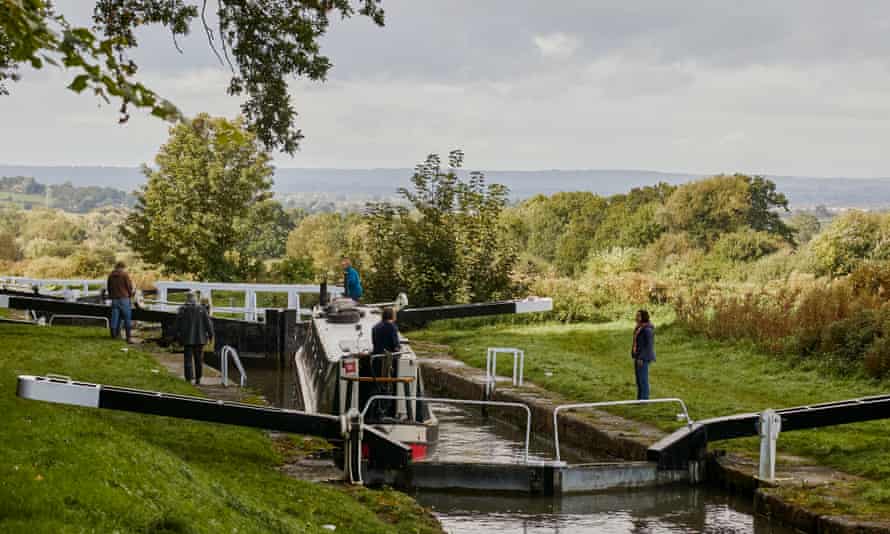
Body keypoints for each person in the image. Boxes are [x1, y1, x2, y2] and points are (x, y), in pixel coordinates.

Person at [176, 292, 215, 385]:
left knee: (188, 359)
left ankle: (188, 379)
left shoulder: (182, 309)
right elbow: (208, 324)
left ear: (187, 299)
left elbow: (177, 325)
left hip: (187, 339)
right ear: (196, 299)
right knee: (199, 360)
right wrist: (211, 336)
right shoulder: (202, 309)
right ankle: (198, 379)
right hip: (200, 339)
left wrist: (175, 336)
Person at [106, 261, 135, 343]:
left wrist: (112, 296)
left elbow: (109, 288)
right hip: (124, 299)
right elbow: (129, 287)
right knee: (127, 318)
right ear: (122, 267)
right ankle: (128, 338)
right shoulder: (124, 275)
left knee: (114, 318)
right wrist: (130, 294)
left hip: (114, 300)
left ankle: (113, 336)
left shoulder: (110, 275)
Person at [631, 309, 656, 400]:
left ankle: (644, 400)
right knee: (638, 380)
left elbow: (648, 346)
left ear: (643, 317)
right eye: (636, 315)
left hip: (643, 358)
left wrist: (641, 357)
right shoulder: (639, 327)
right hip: (638, 356)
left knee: (643, 379)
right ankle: (639, 400)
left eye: (638, 316)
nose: (636, 317)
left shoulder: (647, 329)